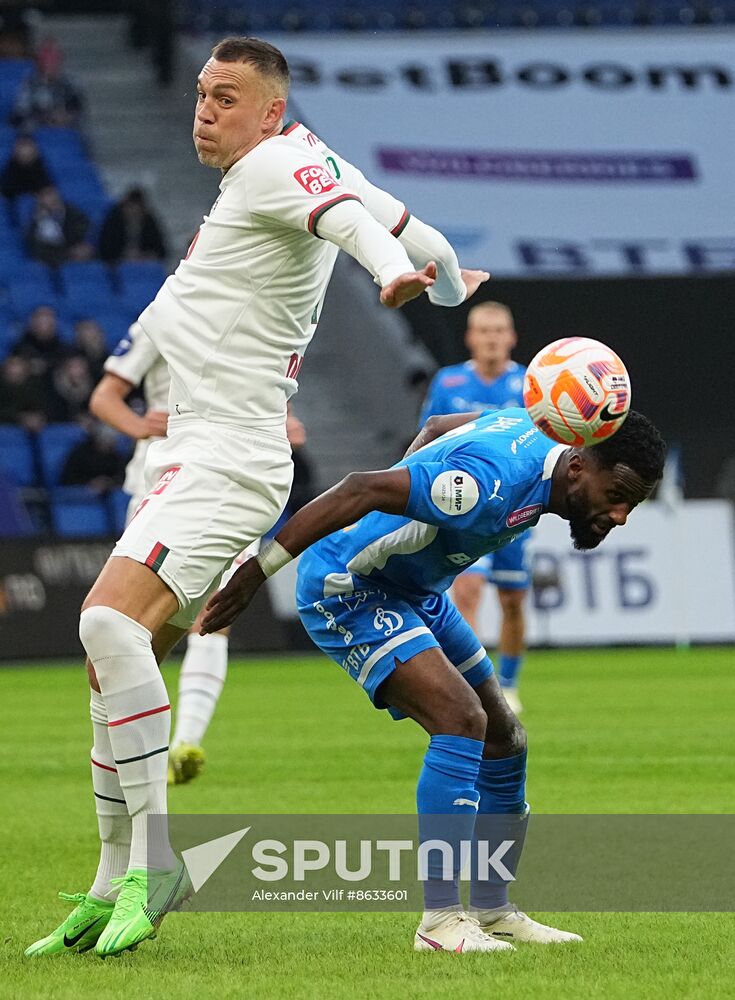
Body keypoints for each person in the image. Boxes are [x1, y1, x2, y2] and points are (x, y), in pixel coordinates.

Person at [26, 35, 489, 960]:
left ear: (269, 111)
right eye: (200, 93)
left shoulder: (275, 164)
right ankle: (111, 878)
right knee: (111, 659)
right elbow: (408, 227)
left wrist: (392, 276)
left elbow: (357, 229)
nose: (205, 110)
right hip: (197, 448)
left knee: (108, 631)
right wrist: (442, 276)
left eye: (225, 97)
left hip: (226, 452)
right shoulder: (302, 158)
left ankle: (153, 863)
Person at [200, 406, 666, 953]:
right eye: (619, 495)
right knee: (460, 719)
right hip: (348, 588)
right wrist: (256, 572)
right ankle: (440, 921)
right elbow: (359, 489)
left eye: (632, 504)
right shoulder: (483, 487)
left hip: (418, 593)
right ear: (579, 467)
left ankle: (493, 911)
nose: (622, 515)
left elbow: (445, 425)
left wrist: (416, 484)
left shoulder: (538, 430)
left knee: (504, 739)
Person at [88, 321, 309, 785]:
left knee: (215, 616)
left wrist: (281, 423)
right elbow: (105, 396)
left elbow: (268, 396)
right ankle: (130, 750)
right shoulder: (162, 318)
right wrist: (141, 427)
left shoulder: (254, 322)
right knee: (132, 633)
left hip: (228, 478)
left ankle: (186, 741)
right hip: (161, 485)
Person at [419, 301, 529, 712]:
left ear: (512, 338)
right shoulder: (448, 384)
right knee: (467, 591)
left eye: (499, 331)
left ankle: (510, 682)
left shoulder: (529, 385)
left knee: (513, 600)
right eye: (484, 331)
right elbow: (427, 439)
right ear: (470, 338)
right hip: (464, 507)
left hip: (518, 508)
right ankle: (473, 687)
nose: (492, 338)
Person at [25, 186, 94, 267]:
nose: (52, 198)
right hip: (56, 262)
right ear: (40, 200)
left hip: (82, 254)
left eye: (52, 193)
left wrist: (84, 247)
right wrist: (69, 253)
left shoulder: (73, 212)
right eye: (46, 195)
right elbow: (38, 250)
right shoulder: (36, 222)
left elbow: (87, 230)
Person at [98, 187, 168, 264]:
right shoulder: (113, 222)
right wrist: (123, 255)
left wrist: (147, 255)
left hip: (143, 264)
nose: (134, 212)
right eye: (131, 208)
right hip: (118, 265)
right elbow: (106, 249)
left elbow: (161, 250)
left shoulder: (149, 222)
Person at [60, 419, 128, 493]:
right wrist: (90, 483)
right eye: (107, 439)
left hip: (109, 494)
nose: (110, 444)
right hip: (81, 493)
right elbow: (69, 479)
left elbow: (121, 477)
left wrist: (109, 483)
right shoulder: (80, 453)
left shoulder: (115, 456)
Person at [0, 135, 52, 202]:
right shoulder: (10, 168)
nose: (25, 151)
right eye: (22, 146)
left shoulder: (41, 167)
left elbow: (46, 188)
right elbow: (6, 190)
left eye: (28, 146)